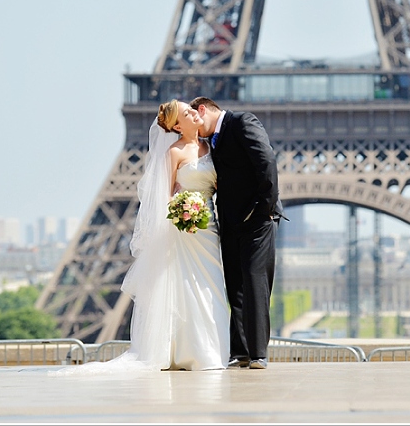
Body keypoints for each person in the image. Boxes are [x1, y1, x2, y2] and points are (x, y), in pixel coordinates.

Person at [50, 100, 229, 376]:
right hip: (186, 233)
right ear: (177, 126)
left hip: (208, 230)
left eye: (192, 109)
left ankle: (212, 351)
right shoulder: (174, 152)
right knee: (187, 291)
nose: (193, 111)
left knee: (211, 289)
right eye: (185, 112)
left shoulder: (211, 146)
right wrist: (183, 213)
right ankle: (190, 352)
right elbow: (163, 196)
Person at [189, 96, 285, 370]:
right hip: (230, 221)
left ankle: (258, 354)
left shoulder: (242, 121)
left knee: (255, 283)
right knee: (236, 287)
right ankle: (241, 351)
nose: (194, 128)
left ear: (203, 110)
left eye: (195, 119)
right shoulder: (210, 142)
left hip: (257, 218)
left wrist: (265, 208)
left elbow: (266, 161)